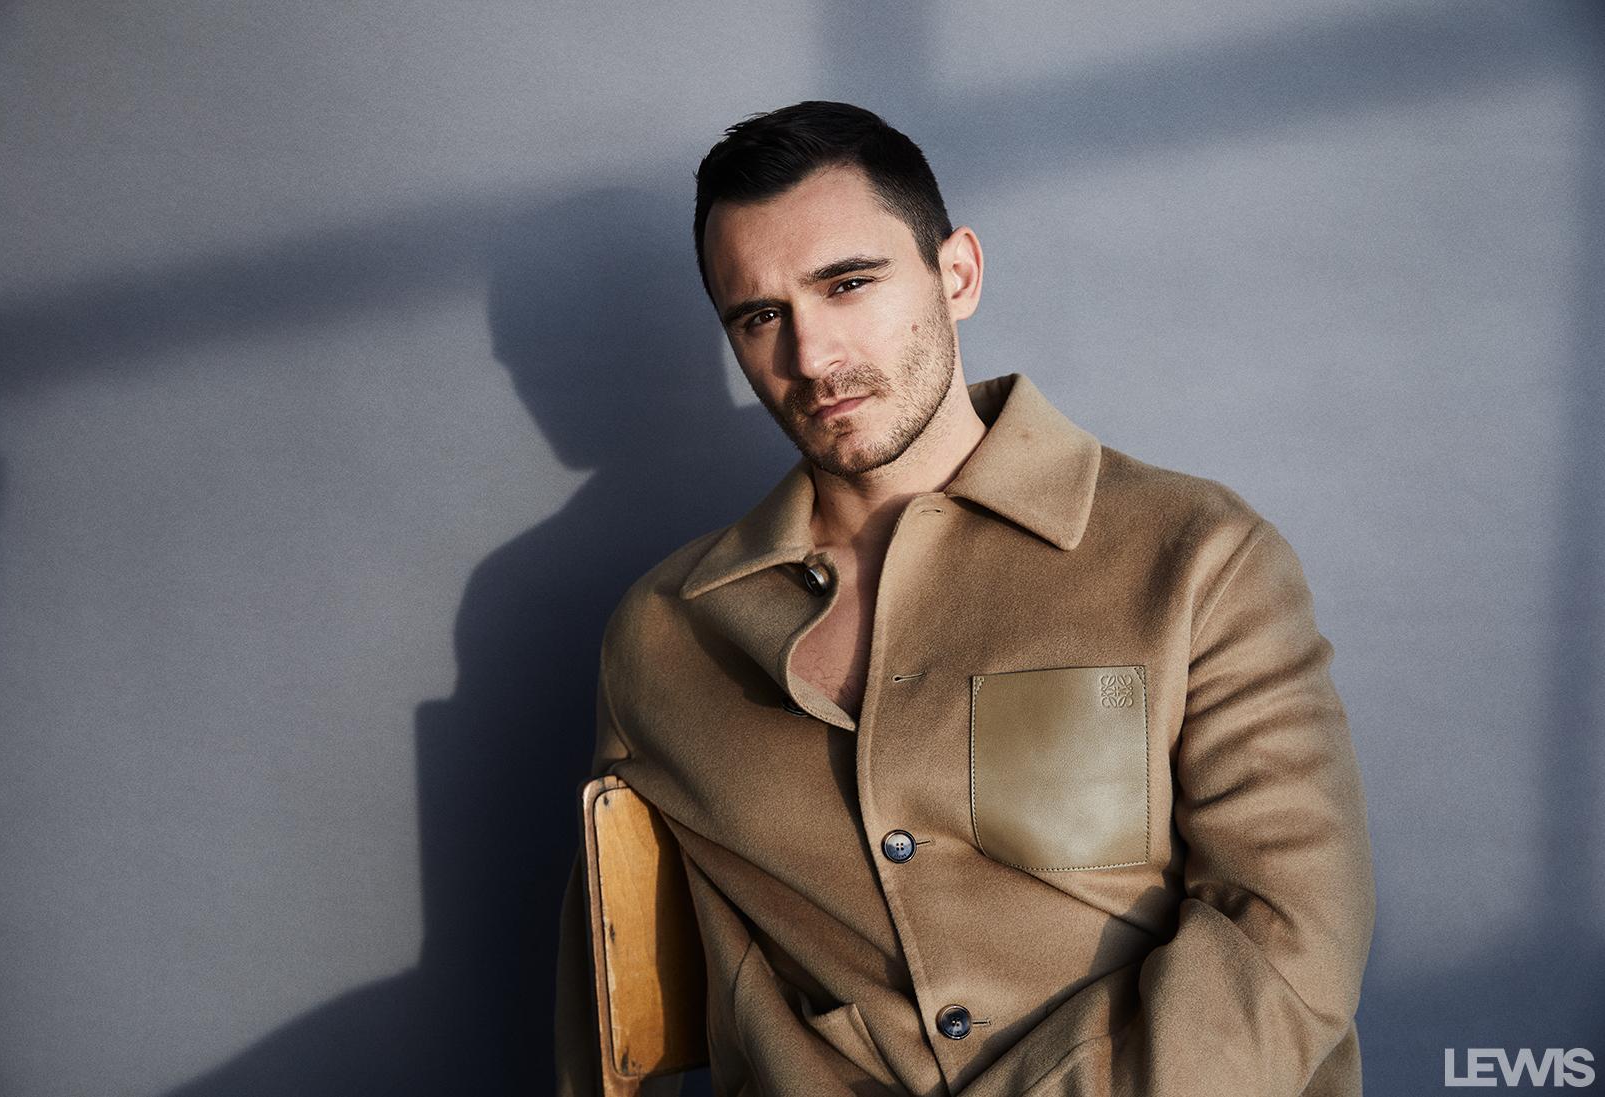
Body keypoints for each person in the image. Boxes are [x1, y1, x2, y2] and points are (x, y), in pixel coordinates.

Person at [553, 100, 1375, 1097]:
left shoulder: (1198, 555)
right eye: (760, 316)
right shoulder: (664, 633)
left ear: (958, 275)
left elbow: (1289, 938)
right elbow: (605, 1007)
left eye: (847, 284)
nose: (811, 357)